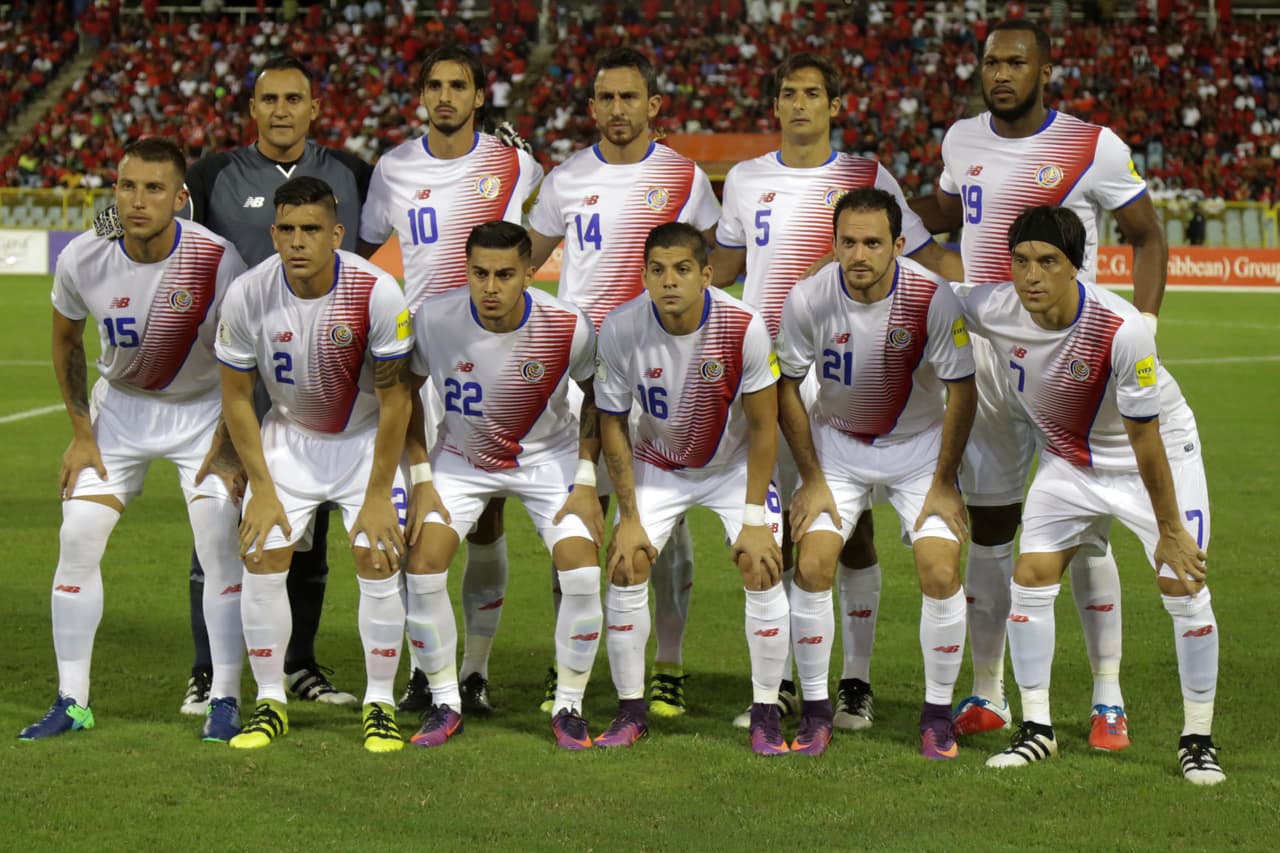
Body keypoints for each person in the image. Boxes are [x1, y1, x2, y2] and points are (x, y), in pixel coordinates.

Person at [922, 18, 1169, 746]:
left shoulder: (1094, 146)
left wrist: (1147, 322)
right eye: (991, 62)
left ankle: (1107, 697)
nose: (1000, 73)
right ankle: (989, 691)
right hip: (990, 360)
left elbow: (1147, 233)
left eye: (1015, 62)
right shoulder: (961, 140)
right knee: (994, 527)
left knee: (1086, 532)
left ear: (1044, 69)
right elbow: (941, 212)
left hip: (1073, 358)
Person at [711, 52, 965, 731]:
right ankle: (789, 683)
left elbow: (918, 254)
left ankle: (855, 683)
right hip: (770, 374)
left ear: (835, 106)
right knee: (787, 532)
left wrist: (991, 284)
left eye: (812, 94)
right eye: (788, 92)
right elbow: (726, 265)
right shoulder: (743, 180)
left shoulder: (866, 177)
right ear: (777, 104)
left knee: (852, 535)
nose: (799, 104)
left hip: (851, 370)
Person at [959, 206, 1223, 785]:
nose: (1031, 275)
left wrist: (1172, 530)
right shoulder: (993, 307)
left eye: (1048, 262)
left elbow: (1144, 440)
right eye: (1021, 261)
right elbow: (923, 287)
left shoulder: (1119, 329)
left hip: (1153, 457)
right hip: (1070, 460)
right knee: (1030, 575)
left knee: (1183, 583)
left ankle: (1198, 739)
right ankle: (1037, 729)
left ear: (1076, 266)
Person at [21, 137, 248, 743]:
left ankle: (224, 698)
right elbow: (67, 341)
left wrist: (227, 440)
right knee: (77, 538)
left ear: (180, 197)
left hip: (201, 414)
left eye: (153, 188)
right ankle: (72, 700)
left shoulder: (218, 259)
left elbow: (240, 356)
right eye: (127, 186)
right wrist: (79, 433)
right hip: (117, 415)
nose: (138, 199)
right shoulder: (82, 258)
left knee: (220, 545)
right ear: (113, 190)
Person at [177, 55, 376, 712]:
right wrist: (110, 220)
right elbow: (142, 219)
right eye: (271, 99)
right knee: (221, 534)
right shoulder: (213, 174)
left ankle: (299, 664)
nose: (283, 110)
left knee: (309, 537)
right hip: (235, 382)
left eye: (296, 98)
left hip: (323, 386)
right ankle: (210, 671)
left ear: (315, 108)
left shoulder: (352, 172)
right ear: (253, 109)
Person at [527, 47, 721, 718]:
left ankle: (666, 664)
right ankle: (569, 656)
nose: (616, 110)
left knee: (664, 523)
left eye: (628, 98)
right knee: (578, 519)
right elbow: (526, 259)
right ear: (592, 107)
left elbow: (711, 260)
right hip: (581, 372)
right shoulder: (564, 179)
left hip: (662, 373)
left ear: (652, 105)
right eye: (604, 98)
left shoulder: (685, 177)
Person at [358, 45, 544, 715]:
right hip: (423, 364)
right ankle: (422, 668)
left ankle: (475, 669)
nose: (444, 96)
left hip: (498, 361)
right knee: (417, 522)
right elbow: (362, 241)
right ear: (421, 96)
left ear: (477, 94)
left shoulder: (515, 162)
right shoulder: (394, 168)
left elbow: (543, 231)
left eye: (456, 85)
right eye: (433, 85)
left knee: (489, 518)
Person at [214, 176, 413, 752]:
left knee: (377, 557)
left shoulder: (377, 291)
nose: (298, 242)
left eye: (311, 230)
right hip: (289, 436)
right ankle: (270, 701)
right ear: (273, 233)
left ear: (337, 234)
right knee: (262, 550)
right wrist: (263, 487)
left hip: (364, 441)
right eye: (288, 230)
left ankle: (379, 702)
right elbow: (234, 397)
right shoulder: (249, 293)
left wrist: (378, 495)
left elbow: (398, 398)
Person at [775, 188, 976, 758]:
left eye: (872, 243)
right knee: (812, 566)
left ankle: (937, 715)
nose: (858, 255)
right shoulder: (808, 298)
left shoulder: (933, 299)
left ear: (899, 245)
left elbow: (963, 391)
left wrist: (943, 482)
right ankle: (817, 713)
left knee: (939, 574)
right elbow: (787, 386)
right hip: (837, 447)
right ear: (833, 244)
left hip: (919, 453)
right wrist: (812, 478)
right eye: (847, 242)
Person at [401, 221, 604, 750]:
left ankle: (569, 707)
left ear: (530, 275)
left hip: (549, 461)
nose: (490, 287)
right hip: (461, 460)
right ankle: (446, 700)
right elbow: (404, 392)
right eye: (479, 273)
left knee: (582, 571)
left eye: (505, 275)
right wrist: (421, 477)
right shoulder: (434, 319)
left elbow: (600, 397)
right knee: (423, 566)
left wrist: (585, 480)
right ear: (465, 270)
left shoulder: (567, 324)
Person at [595, 223, 789, 754]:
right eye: (657, 270)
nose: (669, 281)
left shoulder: (743, 326)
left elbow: (765, 426)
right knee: (625, 561)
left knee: (762, 563)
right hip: (658, 463)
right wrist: (629, 516)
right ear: (644, 275)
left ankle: (767, 712)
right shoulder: (620, 328)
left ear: (707, 274)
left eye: (682, 269)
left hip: (732, 468)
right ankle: (630, 710)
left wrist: (753, 517)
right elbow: (612, 422)